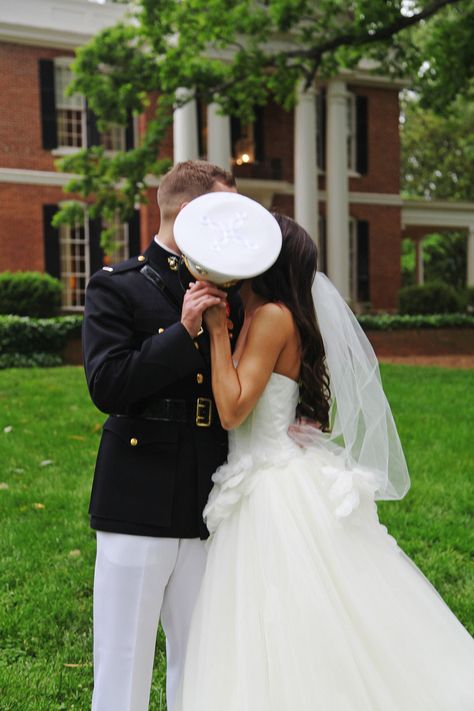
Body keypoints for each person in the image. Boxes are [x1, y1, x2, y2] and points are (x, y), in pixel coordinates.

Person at [175, 213, 474, 711]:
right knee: (256, 620)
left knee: (291, 617)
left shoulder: (271, 316)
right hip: (255, 479)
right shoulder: (257, 312)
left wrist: (214, 330)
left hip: (273, 492)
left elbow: (231, 410)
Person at [82, 160, 243, 711]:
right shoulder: (116, 287)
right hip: (138, 496)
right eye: (224, 211)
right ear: (191, 211)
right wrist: (182, 332)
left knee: (199, 667)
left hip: (208, 499)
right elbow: (108, 385)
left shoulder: (231, 292)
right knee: (123, 663)